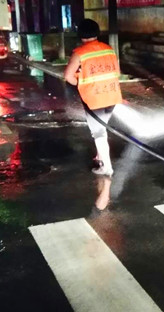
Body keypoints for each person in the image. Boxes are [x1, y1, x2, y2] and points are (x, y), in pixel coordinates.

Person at [64, 19, 122, 210]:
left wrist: (82, 81)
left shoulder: (80, 53)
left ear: (81, 35)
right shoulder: (108, 49)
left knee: (98, 133)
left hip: (94, 99)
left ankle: (107, 167)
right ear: (97, 33)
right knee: (102, 128)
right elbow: (118, 72)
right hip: (112, 96)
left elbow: (68, 76)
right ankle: (100, 155)